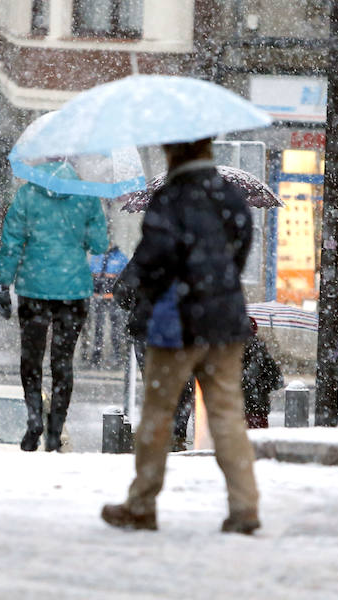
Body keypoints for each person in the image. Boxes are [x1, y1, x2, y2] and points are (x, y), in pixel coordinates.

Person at [101, 137, 260, 535]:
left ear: (173, 153)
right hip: (223, 323)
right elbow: (239, 253)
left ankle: (142, 503)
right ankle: (245, 506)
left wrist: (153, 293)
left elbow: (151, 261)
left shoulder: (169, 200)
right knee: (227, 414)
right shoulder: (230, 197)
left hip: (175, 326)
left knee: (158, 414)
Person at [0, 163, 108, 452]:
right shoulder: (87, 197)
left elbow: (11, 243)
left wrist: (2, 284)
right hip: (74, 290)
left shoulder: (27, 196)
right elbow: (99, 245)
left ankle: (34, 418)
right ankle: (55, 429)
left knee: (31, 358)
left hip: (33, 289)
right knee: (63, 360)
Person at [114, 257, 195, 452]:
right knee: (183, 387)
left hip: (147, 329)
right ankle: (176, 436)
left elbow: (121, 290)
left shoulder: (148, 252)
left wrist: (138, 305)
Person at [86, 245, 129, 368]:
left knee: (115, 329)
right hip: (98, 298)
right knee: (98, 329)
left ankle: (117, 356)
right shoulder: (96, 256)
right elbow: (92, 274)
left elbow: (124, 277)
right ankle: (96, 357)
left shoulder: (120, 257)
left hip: (113, 299)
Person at [242, 317, 283, 429]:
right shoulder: (261, 351)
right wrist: (262, 387)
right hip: (258, 408)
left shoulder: (230, 351)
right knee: (258, 442)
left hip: (236, 409)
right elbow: (278, 380)